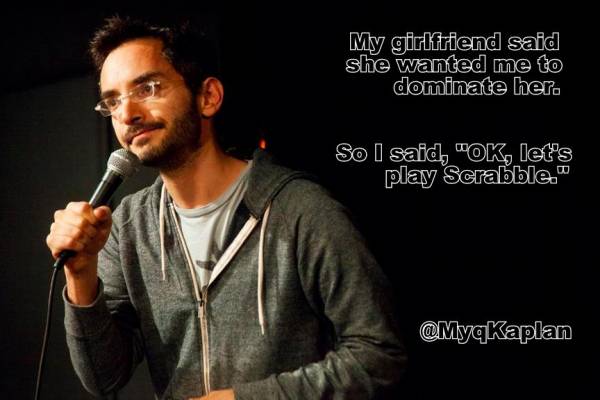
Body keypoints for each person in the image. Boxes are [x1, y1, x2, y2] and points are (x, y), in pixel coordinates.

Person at [46, 16, 406, 400]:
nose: (126, 113)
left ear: (208, 97)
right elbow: (104, 378)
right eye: (113, 100)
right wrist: (81, 275)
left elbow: (379, 355)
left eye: (147, 88)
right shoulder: (128, 228)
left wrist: (242, 398)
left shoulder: (300, 210)